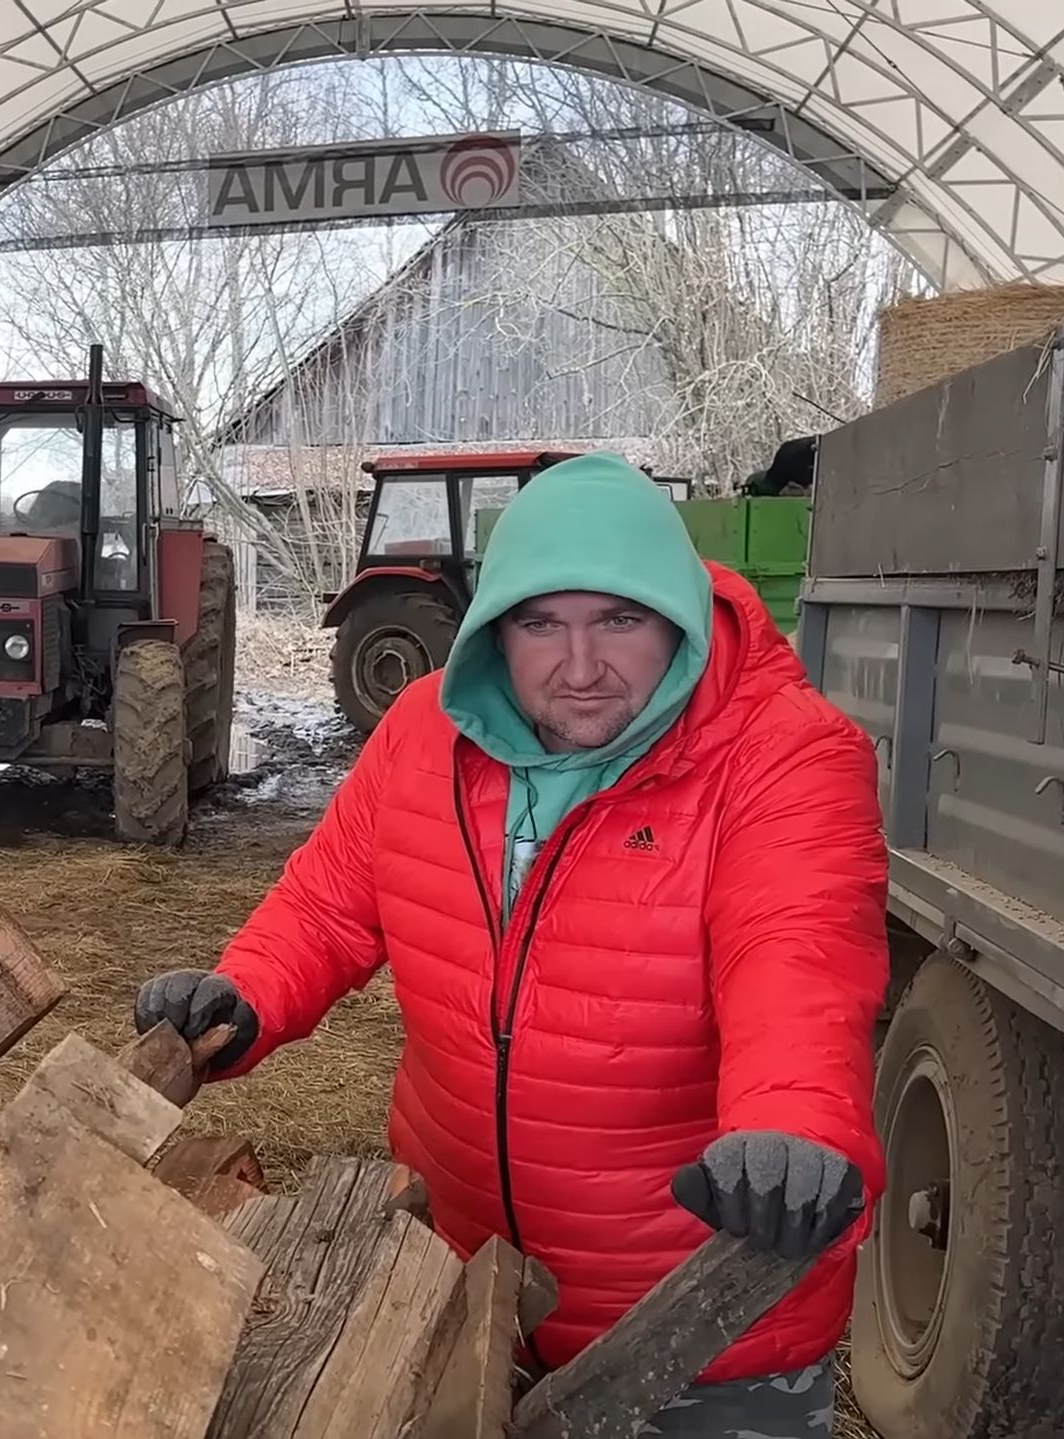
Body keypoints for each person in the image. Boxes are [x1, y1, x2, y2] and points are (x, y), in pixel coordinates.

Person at [135, 454, 886, 1436]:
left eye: (619, 619)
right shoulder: (421, 734)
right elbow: (325, 907)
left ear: (682, 615)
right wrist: (242, 992)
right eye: (542, 623)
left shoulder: (783, 755)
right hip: (469, 1287)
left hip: (694, 1329)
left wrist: (792, 1124)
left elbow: (794, 953)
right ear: (495, 628)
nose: (580, 664)